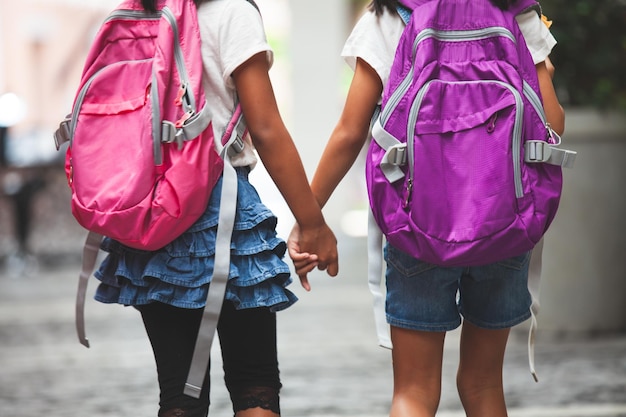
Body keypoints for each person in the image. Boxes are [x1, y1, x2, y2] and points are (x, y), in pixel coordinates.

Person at [288, 0, 565, 416]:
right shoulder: (516, 11)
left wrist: (309, 218)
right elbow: (553, 124)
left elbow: (350, 132)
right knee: (484, 384)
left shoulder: (391, 17)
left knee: (414, 392)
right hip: (505, 225)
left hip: (417, 227)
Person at [94, 1, 338, 416]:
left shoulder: (140, 10)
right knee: (254, 382)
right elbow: (265, 128)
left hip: (150, 214)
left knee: (178, 394)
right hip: (224, 211)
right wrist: (312, 222)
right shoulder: (232, 13)